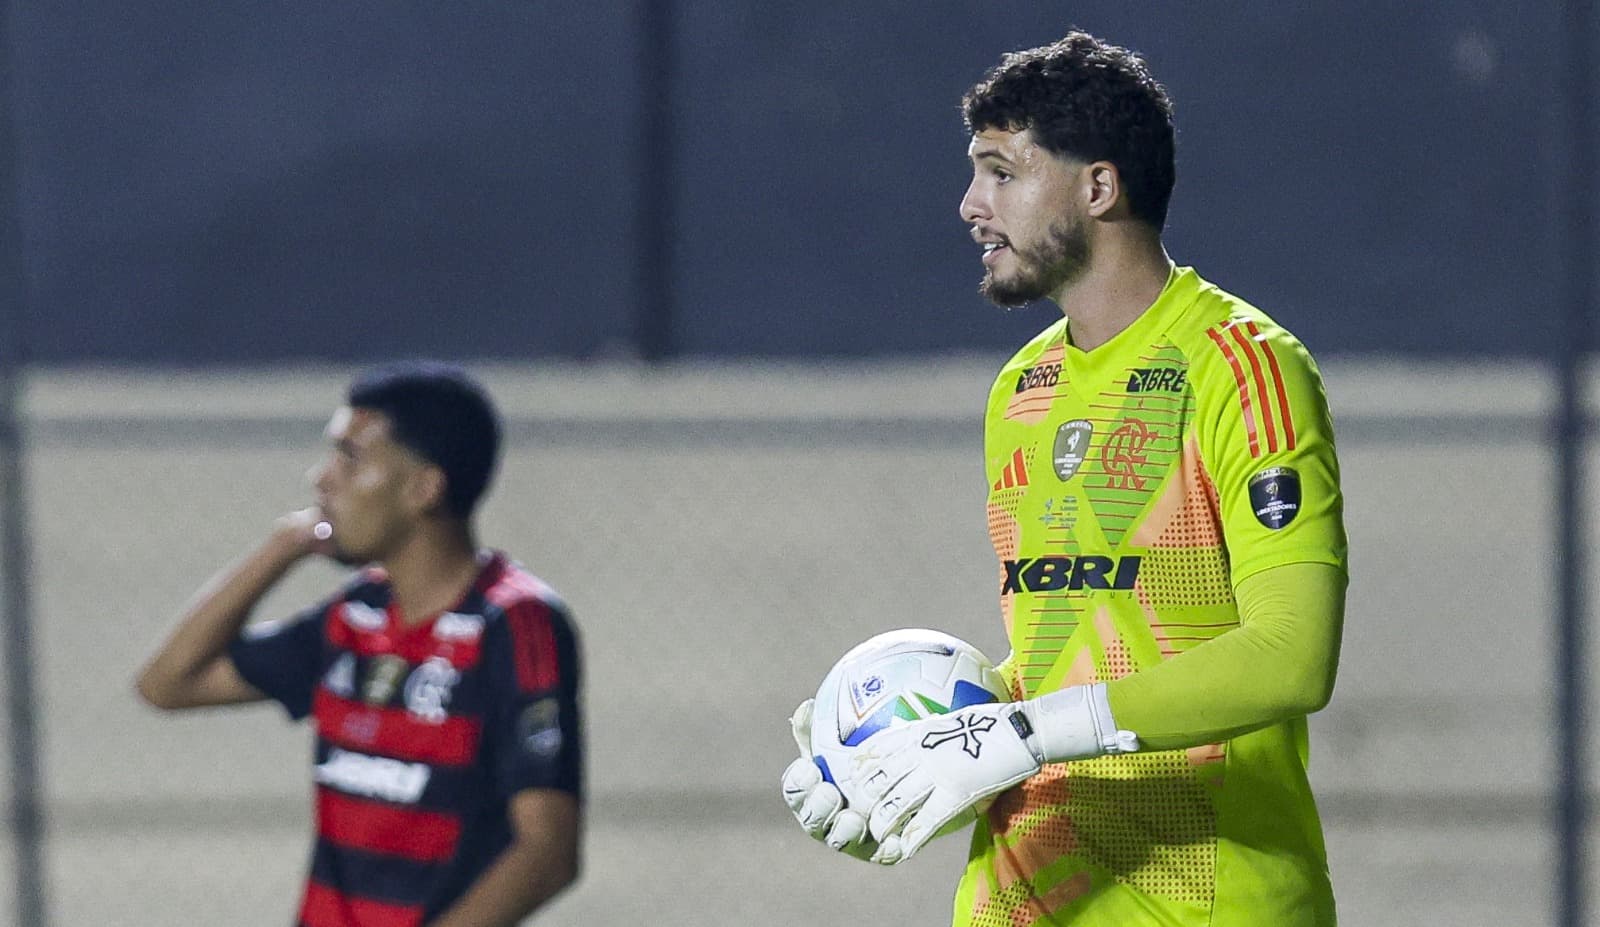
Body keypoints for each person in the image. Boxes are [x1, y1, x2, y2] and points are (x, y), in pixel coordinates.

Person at [783, 31, 1347, 927]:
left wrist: (1025, 732)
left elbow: (1292, 653)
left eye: (1002, 172)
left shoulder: (1243, 367)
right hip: (1021, 902)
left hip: (1208, 901)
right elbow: (1064, 655)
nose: (971, 204)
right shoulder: (1021, 389)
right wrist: (902, 743)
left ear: (1098, 186)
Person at [136, 361, 583, 927]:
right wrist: (283, 548)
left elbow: (547, 853)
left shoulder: (515, 622)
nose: (322, 478)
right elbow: (168, 683)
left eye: (350, 458)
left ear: (424, 488)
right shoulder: (355, 615)